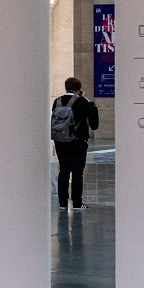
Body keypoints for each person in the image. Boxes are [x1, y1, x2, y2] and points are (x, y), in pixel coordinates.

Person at [52, 76, 98, 212]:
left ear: (66, 87)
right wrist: (89, 103)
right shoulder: (82, 101)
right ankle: (77, 203)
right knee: (77, 172)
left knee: (64, 170)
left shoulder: (57, 101)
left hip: (60, 141)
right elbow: (94, 123)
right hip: (77, 141)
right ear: (78, 89)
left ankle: (62, 203)